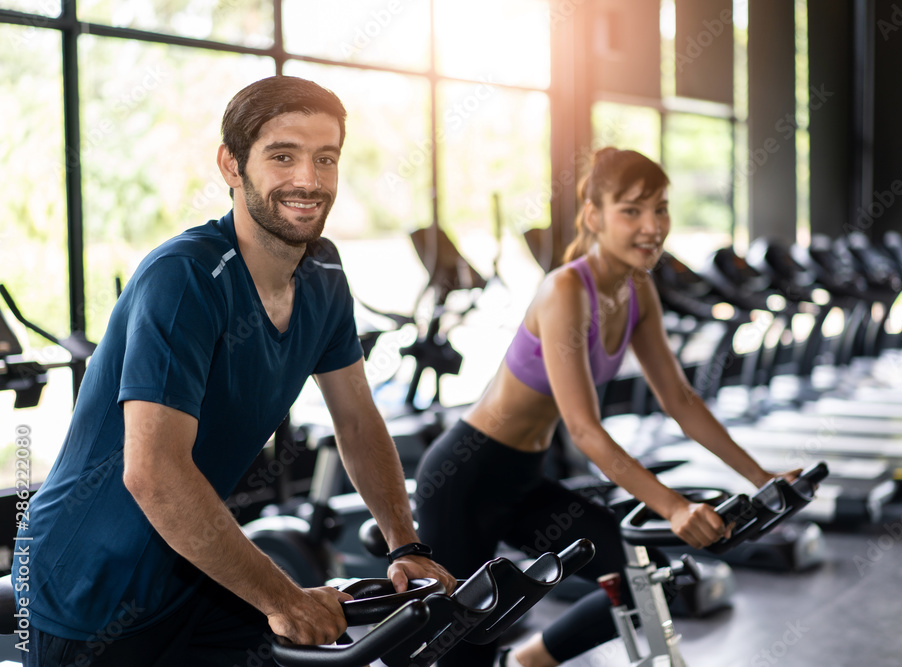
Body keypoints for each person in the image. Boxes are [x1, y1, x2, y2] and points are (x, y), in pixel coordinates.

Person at [17, 75, 454, 667]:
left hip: (200, 566)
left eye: (325, 159)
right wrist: (284, 598)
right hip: (91, 580)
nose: (309, 180)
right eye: (283, 156)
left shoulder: (323, 272)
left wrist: (406, 544)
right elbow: (153, 474)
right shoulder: (185, 278)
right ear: (231, 165)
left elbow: (356, 420)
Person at [414, 147, 801, 667]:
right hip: (466, 476)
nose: (652, 226)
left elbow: (681, 401)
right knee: (462, 655)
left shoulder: (638, 289)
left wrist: (761, 477)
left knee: (649, 582)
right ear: (594, 216)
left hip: (525, 478)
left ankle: (528, 661)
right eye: (632, 210)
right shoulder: (566, 290)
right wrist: (675, 507)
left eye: (660, 208)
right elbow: (585, 431)